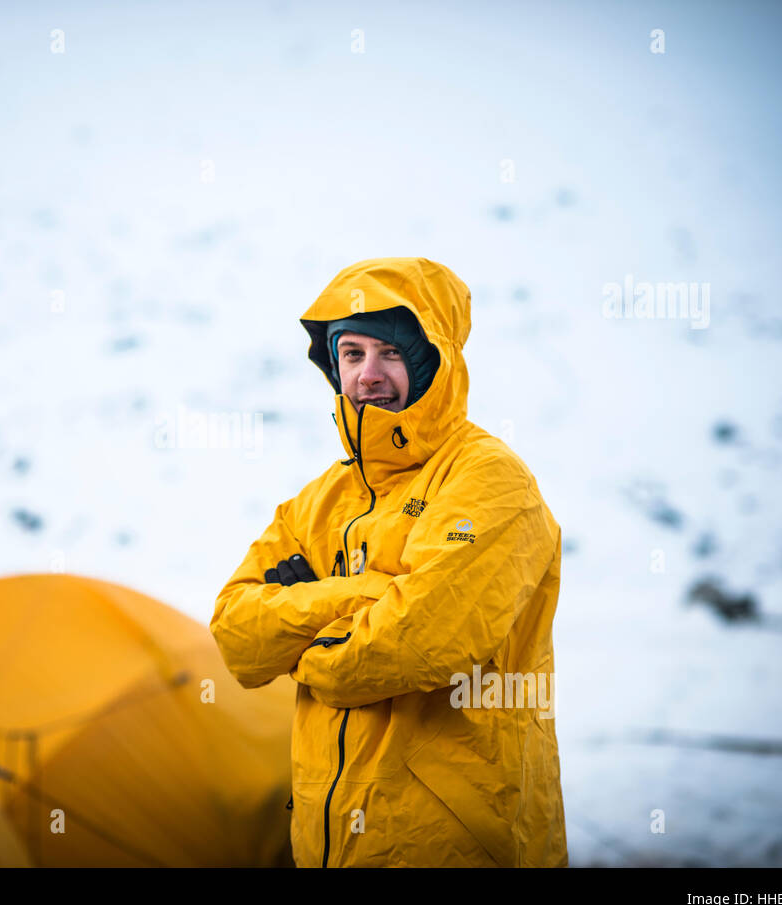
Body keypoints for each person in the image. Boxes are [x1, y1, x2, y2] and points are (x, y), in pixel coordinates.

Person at [210, 257, 568, 867]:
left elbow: (417, 642)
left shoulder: (488, 480)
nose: (367, 375)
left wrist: (299, 641)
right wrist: (363, 594)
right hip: (327, 848)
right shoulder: (321, 498)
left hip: (454, 844)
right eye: (351, 354)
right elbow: (237, 637)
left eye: (390, 354)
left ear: (433, 359)